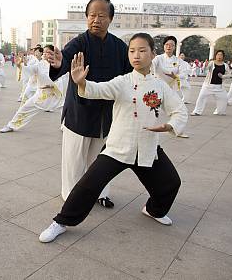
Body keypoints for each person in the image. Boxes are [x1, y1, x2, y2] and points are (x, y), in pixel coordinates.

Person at [39, 33, 187, 243]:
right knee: (87, 186)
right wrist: (82, 83)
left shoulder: (160, 86)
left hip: (146, 147)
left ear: (153, 54)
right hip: (118, 147)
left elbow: (180, 110)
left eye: (142, 50)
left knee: (171, 182)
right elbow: (98, 89)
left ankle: (154, 210)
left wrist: (170, 125)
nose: (136, 55)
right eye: (132, 51)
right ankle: (61, 222)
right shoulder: (123, 82)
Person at [47, 0, 133, 206]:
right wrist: (60, 63)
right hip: (80, 112)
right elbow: (64, 60)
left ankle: (101, 194)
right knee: (73, 160)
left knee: (100, 160)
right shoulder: (79, 42)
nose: (96, 20)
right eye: (92, 15)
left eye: (102, 16)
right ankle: (71, 197)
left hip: (106, 114)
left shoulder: (119, 46)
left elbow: (130, 75)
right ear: (86, 18)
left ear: (110, 19)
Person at [0, 45, 68, 133]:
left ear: (53, 53)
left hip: (57, 95)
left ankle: (65, 126)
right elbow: (29, 69)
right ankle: (11, 125)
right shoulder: (39, 65)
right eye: (44, 52)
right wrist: (20, 66)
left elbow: (65, 78)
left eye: (47, 52)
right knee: (25, 108)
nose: (45, 54)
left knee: (66, 110)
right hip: (42, 95)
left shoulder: (60, 64)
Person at [191, 50, 230, 116]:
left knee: (224, 98)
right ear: (215, 55)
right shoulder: (212, 63)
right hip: (208, 86)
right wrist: (205, 65)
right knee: (201, 97)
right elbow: (206, 69)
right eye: (218, 55)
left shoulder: (225, 65)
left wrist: (223, 76)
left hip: (219, 87)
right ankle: (197, 111)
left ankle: (220, 111)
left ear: (223, 56)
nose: (219, 56)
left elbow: (229, 75)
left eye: (221, 55)